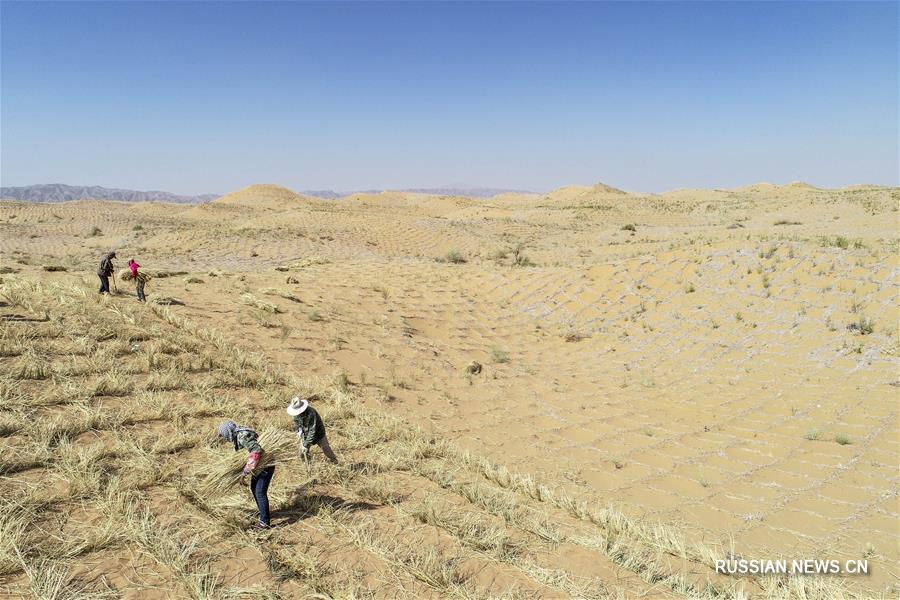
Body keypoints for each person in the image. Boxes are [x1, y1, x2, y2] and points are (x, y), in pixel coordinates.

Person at [217, 421, 274, 530]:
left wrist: (246, 470)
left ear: (227, 431)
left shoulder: (242, 436)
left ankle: (265, 523)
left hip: (266, 465)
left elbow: (257, 451)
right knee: (254, 488)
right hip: (260, 466)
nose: (224, 437)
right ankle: (263, 514)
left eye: (223, 434)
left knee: (260, 492)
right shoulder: (238, 435)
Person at [286, 397, 338, 463]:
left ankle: (335, 462)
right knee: (302, 453)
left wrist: (306, 445)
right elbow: (297, 424)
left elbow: (312, 430)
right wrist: (299, 430)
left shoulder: (311, 413)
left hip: (318, 433)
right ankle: (308, 467)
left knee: (325, 448)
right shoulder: (295, 415)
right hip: (305, 434)